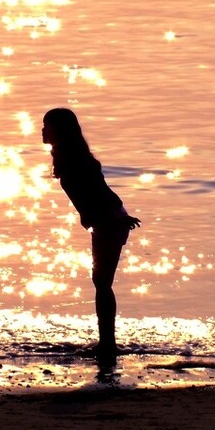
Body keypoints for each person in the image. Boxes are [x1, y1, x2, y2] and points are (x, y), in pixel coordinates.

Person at [42, 107, 141, 360]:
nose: (43, 130)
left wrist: (118, 218)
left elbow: (99, 190)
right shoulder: (67, 155)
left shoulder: (77, 159)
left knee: (102, 282)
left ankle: (108, 344)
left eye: (47, 125)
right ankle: (106, 342)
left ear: (61, 129)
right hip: (105, 220)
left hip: (111, 219)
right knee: (100, 282)